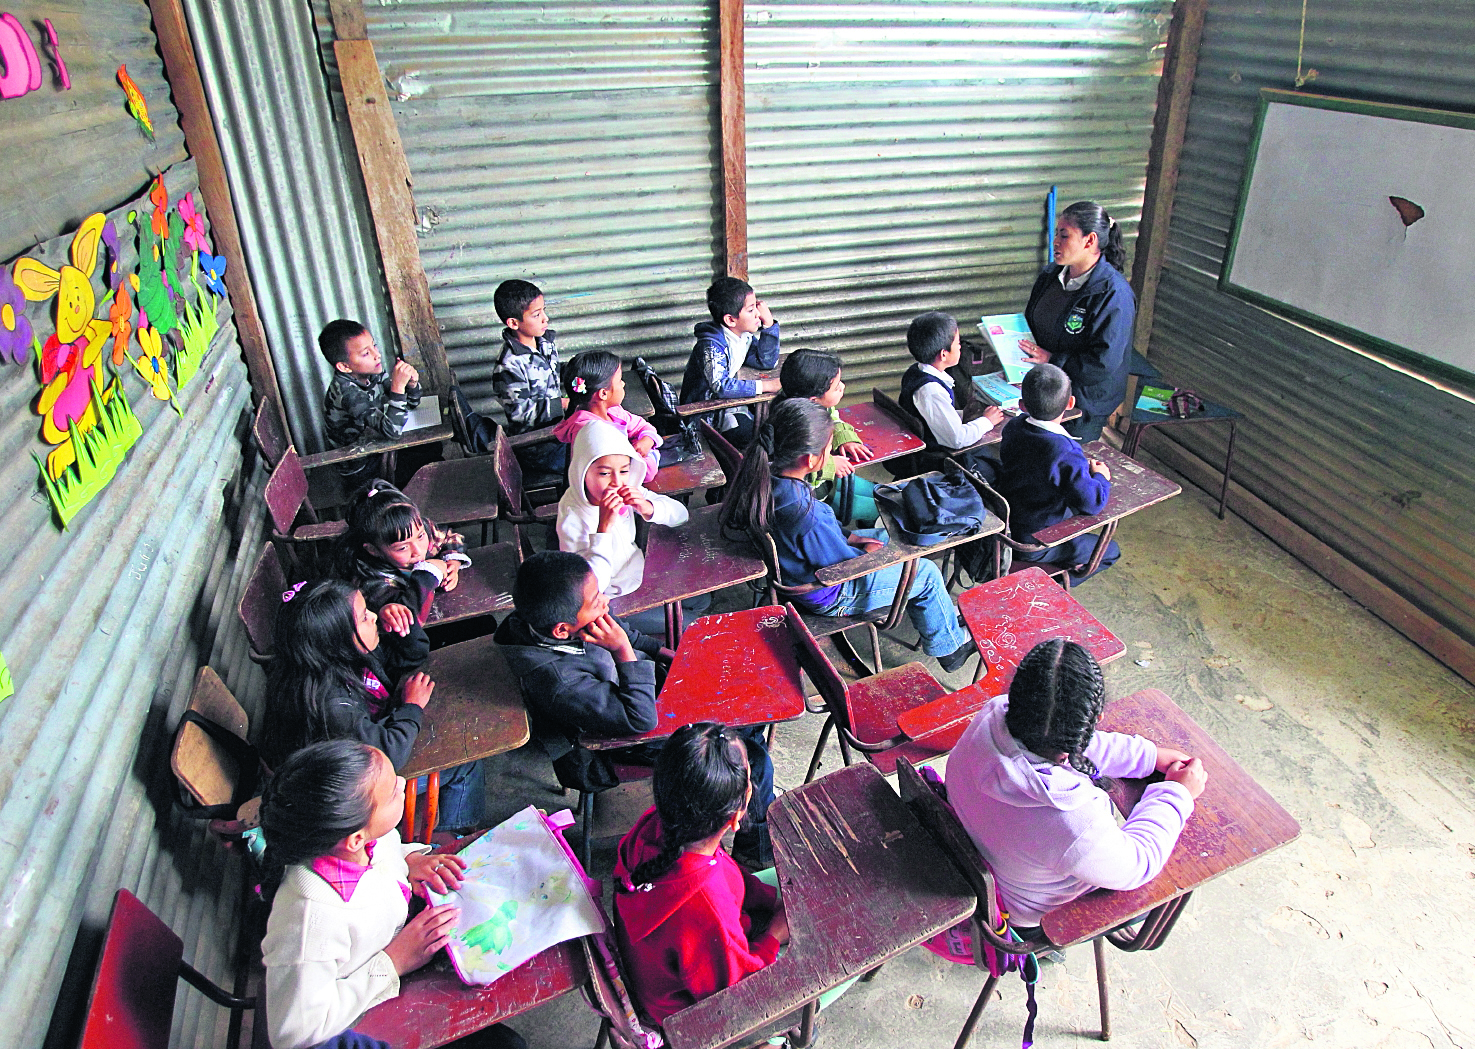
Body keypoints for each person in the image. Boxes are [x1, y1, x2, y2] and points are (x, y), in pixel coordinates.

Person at [495, 553, 774, 864]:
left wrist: (674, 658)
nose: (605, 603)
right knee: (753, 761)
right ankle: (755, 855)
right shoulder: (559, 682)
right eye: (596, 600)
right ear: (562, 630)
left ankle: (748, 764)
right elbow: (640, 720)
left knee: (748, 713)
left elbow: (628, 633)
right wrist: (621, 650)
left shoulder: (567, 622)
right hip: (614, 745)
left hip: (638, 699)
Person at [258, 740, 527, 1049]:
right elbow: (293, 1032)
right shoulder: (311, 920)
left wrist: (409, 859)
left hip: (397, 952)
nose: (402, 782)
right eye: (390, 794)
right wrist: (393, 962)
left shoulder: (360, 838)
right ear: (355, 839)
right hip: (360, 1014)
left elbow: (384, 852)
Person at [945, 639, 1207, 936]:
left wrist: (1147, 756)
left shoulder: (990, 718)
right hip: (1025, 917)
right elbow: (1139, 864)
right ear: (1095, 721)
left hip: (986, 860)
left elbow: (1057, 738)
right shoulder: (1071, 820)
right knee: (1158, 894)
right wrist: (1176, 794)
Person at [719, 398, 977, 674]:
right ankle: (950, 648)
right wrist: (865, 554)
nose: (831, 454)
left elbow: (826, 539)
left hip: (802, 563)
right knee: (925, 574)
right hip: (833, 592)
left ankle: (941, 615)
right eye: (829, 448)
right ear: (810, 460)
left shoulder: (765, 476)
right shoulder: (805, 515)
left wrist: (853, 539)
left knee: (891, 538)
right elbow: (841, 567)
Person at [259, 578, 485, 832]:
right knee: (465, 763)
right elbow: (388, 755)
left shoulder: (338, 657)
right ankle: (452, 834)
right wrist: (411, 707)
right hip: (340, 795)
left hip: (361, 746)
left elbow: (410, 657)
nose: (375, 616)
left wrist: (403, 625)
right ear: (338, 639)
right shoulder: (331, 704)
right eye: (365, 617)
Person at [613, 723, 787, 1026]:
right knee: (829, 952)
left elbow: (727, 873)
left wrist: (768, 899)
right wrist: (774, 936)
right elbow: (738, 996)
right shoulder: (707, 908)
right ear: (736, 817)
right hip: (689, 1017)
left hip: (670, 971)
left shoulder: (655, 827)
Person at [556, 419, 701, 636]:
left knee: (701, 600)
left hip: (640, 572)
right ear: (581, 472)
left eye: (624, 471)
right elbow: (588, 588)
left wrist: (647, 507)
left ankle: (662, 631)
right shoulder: (573, 516)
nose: (617, 482)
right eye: (604, 473)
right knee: (691, 625)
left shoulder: (627, 489)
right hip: (611, 600)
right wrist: (603, 528)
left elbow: (682, 515)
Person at [1021, 200, 1137, 442]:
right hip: (1046, 392)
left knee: (1066, 459)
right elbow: (1033, 322)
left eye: (1064, 236)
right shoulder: (1050, 276)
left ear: (1089, 240)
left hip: (1083, 404)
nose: (1055, 242)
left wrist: (1052, 359)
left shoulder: (1114, 294)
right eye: (1056, 234)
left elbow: (1102, 363)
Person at [996, 363, 1120, 583]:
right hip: (1035, 543)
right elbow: (1092, 504)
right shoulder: (1065, 451)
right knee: (1110, 551)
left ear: (1022, 405)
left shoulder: (1014, 426)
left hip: (1008, 524)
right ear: (1071, 403)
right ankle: (1054, 590)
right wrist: (1101, 477)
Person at [337, 478, 469, 652]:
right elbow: (410, 619)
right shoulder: (369, 581)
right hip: (407, 643)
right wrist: (430, 572)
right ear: (373, 550)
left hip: (440, 614)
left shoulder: (418, 531)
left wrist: (453, 561)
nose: (418, 551)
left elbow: (451, 536)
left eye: (420, 536)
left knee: (483, 623)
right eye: (402, 548)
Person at [776, 348, 878, 526]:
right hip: (814, 497)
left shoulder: (804, 404)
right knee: (880, 508)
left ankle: (867, 524)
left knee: (879, 492)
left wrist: (845, 438)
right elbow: (795, 467)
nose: (843, 387)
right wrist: (831, 464)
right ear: (813, 400)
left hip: (828, 481)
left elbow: (834, 419)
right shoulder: (792, 426)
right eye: (837, 387)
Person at [680, 276, 782, 445]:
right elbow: (721, 386)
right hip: (705, 415)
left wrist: (769, 325)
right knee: (757, 438)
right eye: (751, 310)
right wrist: (767, 386)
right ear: (730, 320)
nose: (758, 314)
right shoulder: (712, 346)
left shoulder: (742, 337)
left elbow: (765, 361)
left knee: (774, 427)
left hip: (729, 404)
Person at [899, 312, 1006, 473]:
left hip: (936, 443)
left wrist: (962, 414)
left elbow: (933, 415)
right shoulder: (931, 391)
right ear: (943, 354)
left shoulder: (916, 370)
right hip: (942, 462)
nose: (961, 347)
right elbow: (957, 440)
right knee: (997, 470)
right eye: (958, 343)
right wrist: (987, 421)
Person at [319, 319, 422, 484]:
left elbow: (410, 404)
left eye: (374, 346)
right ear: (344, 367)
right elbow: (393, 431)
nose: (377, 355)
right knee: (423, 463)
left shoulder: (373, 371)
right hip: (361, 465)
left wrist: (411, 385)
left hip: (377, 447)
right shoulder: (347, 393)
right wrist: (397, 387)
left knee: (430, 450)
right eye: (366, 353)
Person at [489, 278, 567, 485]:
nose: (545, 319)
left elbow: (553, 373)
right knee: (598, 460)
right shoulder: (509, 366)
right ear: (513, 323)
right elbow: (520, 413)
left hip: (559, 432)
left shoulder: (544, 343)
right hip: (539, 448)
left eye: (543, 311)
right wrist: (561, 404)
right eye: (536, 314)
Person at [552, 350, 663, 483]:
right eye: (619, 380)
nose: (623, 384)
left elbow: (643, 426)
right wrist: (652, 453)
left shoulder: (613, 411)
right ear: (603, 394)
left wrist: (647, 441)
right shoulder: (593, 433)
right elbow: (645, 472)